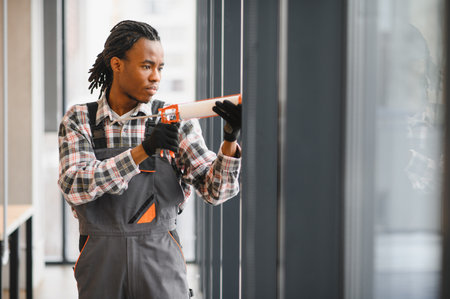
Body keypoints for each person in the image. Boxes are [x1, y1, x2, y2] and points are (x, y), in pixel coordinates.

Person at [58, 20, 241, 299]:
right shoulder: (80, 119)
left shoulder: (173, 120)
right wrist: (143, 150)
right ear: (117, 65)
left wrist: (229, 141)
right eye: (146, 66)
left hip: (161, 260)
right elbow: (75, 185)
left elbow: (215, 192)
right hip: (100, 262)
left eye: (160, 68)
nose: (156, 77)